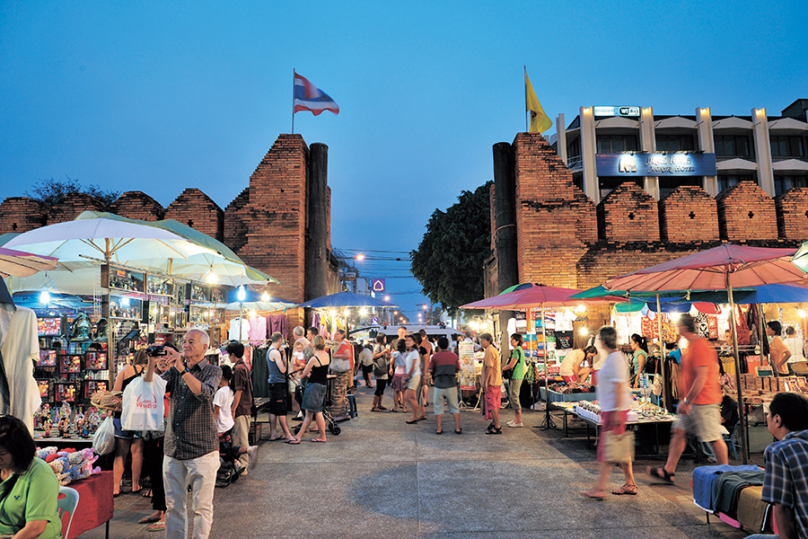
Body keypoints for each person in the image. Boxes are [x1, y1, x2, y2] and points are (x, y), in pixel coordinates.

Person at [145, 328, 222, 539]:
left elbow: (204, 393)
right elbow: (151, 387)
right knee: (173, 506)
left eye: (191, 341)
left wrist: (181, 369)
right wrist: (153, 364)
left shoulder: (213, 371)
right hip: (173, 448)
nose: (185, 345)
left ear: (204, 347)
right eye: (184, 341)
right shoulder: (174, 371)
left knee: (201, 507)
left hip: (201, 449)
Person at [648, 313, 728, 484]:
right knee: (679, 432)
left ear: (683, 327)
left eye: (677, 326)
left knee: (714, 437)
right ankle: (668, 471)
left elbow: (701, 378)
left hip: (703, 401)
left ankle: (726, 474)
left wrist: (688, 401)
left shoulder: (699, 346)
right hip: (693, 402)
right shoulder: (692, 345)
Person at [581, 326, 638, 500]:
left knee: (607, 449)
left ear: (603, 341)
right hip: (613, 409)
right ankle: (630, 483)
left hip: (614, 410)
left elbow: (620, 386)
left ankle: (599, 488)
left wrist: (615, 413)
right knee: (619, 447)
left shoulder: (615, 359)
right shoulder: (614, 358)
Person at [746, 392, 808, 539]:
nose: (767, 418)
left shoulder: (779, 451)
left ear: (777, 420)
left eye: (768, 415)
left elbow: (782, 509)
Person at [0, 415, 62, 539]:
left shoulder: (40, 474)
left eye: (2, 453)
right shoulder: (3, 467)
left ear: (18, 450)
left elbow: (35, 528)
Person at [112, 348, 148, 496]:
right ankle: (135, 484)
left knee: (121, 453)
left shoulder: (125, 371)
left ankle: (115, 487)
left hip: (122, 416)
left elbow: (115, 394)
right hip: (140, 417)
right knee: (137, 451)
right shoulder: (149, 373)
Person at [214, 366, 257, 471]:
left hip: (221, 426)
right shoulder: (230, 390)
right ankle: (239, 459)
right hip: (228, 424)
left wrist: (212, 427)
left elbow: (216, 412)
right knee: (226, 448)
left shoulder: (220, 392)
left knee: (222, 449)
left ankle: (244, 453)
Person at [290, 335, 331, 444]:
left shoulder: (314, 358)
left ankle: (299, 437)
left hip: (314, 386)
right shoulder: (327, 355)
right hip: (322, 385)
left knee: (311, 413)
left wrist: (300, 370)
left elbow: (303, 374)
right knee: (317, 411)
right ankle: (322, 436)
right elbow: (320, 371)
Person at [227, 341, 254, 473]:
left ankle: (242, 467)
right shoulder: (243, 367)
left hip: (241, 408)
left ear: (233, 354)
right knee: (241, 436)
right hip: (245, 407)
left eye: (228, 354)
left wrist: (233, 409)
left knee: (240, 438)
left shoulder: (238, 369)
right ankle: (242, 465)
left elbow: (239, 391)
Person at [429, 337, 461, 435]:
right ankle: (457, 428)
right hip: (451, 384)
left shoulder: (434, 357)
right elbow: (458, 369)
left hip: (439, 384)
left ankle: (439, 428)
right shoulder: (454, 356)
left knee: (438, 407)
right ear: (448, 345)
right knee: (454, 407)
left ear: (438, 345)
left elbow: (430, 370)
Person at [266, 332, 294, 442]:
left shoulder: (269, 350)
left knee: (273, 410)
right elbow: (283, 370)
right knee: (282, 410)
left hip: (273, 383)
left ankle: (273, 433)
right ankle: (288, 435)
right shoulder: (275, 353)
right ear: (280, 340)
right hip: (278, 383)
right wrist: (284, 356)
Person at [480, 333, 502, 435]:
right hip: (496, 381)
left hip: (491, 382)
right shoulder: (493, 349)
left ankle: (497, 425)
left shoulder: (489, 350)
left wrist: (485, 381)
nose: (481, 343)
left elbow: (489, 367)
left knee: (492, 404)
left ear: (488, 341)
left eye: (482, 340)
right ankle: (494, 423)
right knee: (496, 404)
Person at [502, 333, 526, 428]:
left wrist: (503, 369)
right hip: (516, 376)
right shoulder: (518, 350)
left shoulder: (517, 350)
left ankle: (519, 420)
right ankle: (516, 419)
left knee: (514, 397)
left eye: (512, 339)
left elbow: (511, 365)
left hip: (516, 376)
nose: (511, 341)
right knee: (513, 396)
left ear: (517, 341)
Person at [330, 329, 353, 421]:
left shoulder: (344, 344)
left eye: (337, 334)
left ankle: (339, 414)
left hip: (343, 371)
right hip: (343, 371)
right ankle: (343, 412)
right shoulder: (343, 343)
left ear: (342, 334)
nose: (335, 335)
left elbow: (347, 355)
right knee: (342, 391)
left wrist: (336, 355)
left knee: (338, 391)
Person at [403, 334, 425, 424]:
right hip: (410, 376)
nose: (407, 342)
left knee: (412, 398)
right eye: (406, 340)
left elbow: (414, 366)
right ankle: (415, 415)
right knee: (408, 397)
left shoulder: (415, 352)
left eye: (409, 340)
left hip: (414, 376)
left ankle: (414, 416)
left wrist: (408, 375)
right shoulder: (410, 352)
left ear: (414, 342)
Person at [390, 328, 408, 412]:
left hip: (397, 373)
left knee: (396, 391)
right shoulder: (408, 353)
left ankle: (396, 407)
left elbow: (391, 361)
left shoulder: (396, 353)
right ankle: (404, 407)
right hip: (405, 373)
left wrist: (390, 368)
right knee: (404, 391)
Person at [371, 334, 389, 412]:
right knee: (379, 388)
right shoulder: (377, 346)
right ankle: (373, 406)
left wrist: (388, 354)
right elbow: (374, 356)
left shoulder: (383, 346)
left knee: (382, 388)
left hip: (384, 369)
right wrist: (384, 352)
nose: (386, 339)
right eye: (385, 338)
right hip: (379, 369)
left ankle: (379, 404)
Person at [418, 329, 433, 407]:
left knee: (418, 384)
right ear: (425, 335)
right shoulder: (429, 344)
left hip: (418, 365)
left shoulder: (418, 344)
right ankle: (424, 400)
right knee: (425, 384)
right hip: (427, 365)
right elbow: (431, 354)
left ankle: (419, 400)